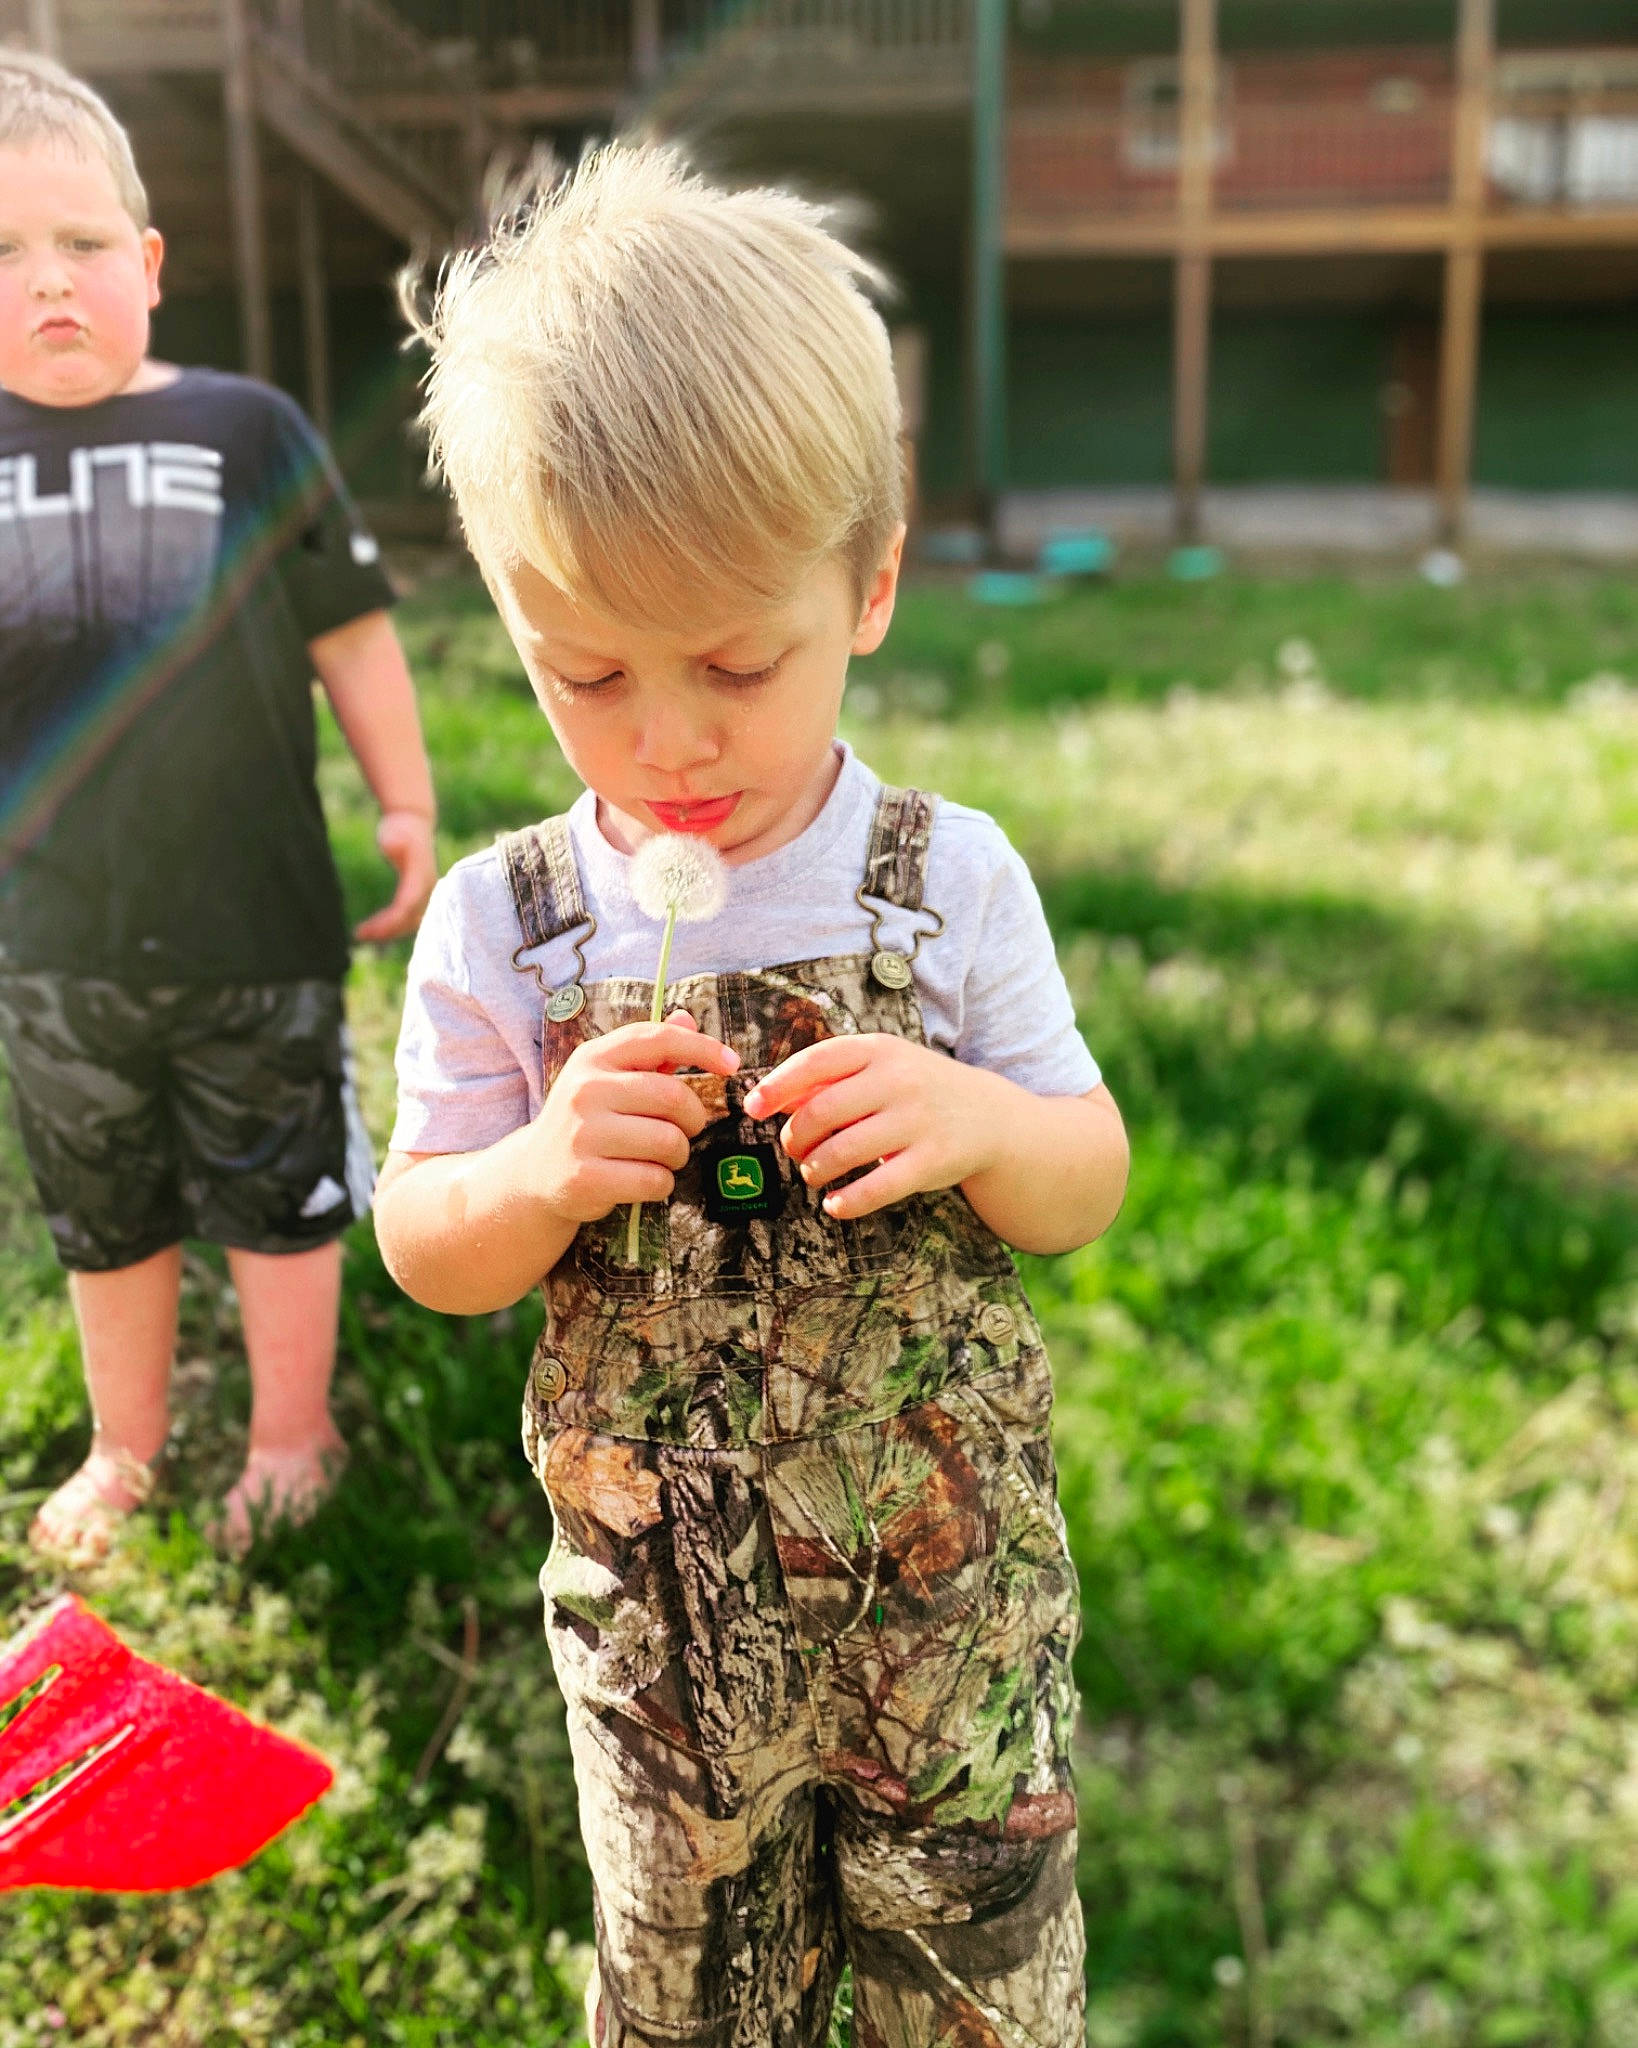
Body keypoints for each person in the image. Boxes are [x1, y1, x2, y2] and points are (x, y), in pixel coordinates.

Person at [376, 143, 1129, 2045]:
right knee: (690, 1996)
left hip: (939, 1641)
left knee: (969, 1985)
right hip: (661, 1658)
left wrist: (977, 1124)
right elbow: (426, 1241)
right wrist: (541, 1170)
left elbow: (1083, 1171)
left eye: (733, 660)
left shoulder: (945, 883)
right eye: (586, 673)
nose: (669, 739)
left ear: (868, 587)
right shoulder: (509, 925)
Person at [0, 52, 438, 1565]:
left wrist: (407, 805)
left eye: (82, 245)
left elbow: (352, 635)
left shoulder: (247, 431)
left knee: (282, 1195)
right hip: (52, 945)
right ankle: (124, 1452)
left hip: (258, 922)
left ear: (151, 263)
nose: (48, 284)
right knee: (102, 1210)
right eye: (0, 255)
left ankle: (288, 1434)